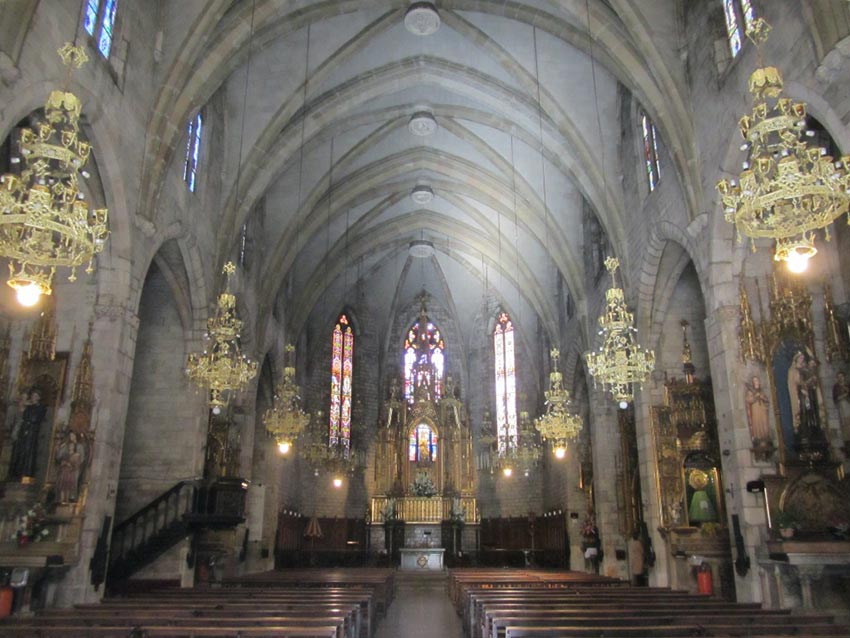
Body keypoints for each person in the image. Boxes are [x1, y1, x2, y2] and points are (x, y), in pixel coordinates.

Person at [9, 388, 48, 481]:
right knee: (20, 453)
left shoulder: (41, 408)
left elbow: (35, 418)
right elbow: (23, 416)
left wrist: (29, 422)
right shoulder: (29, 407)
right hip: (24, 432)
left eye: (36, 396)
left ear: (39, 398)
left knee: (29, 453)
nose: (33, 398)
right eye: (32, 396)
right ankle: (17, 474)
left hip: (32, 433)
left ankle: (27, 474)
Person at [745, 375, 771, 443]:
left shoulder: (762, 391)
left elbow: (767, 401)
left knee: (764, 424)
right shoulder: (750, 392)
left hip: (763, 411)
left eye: (757, 380)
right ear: (753, 383)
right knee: (757, 424)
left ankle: (766, 437)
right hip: (755, 411)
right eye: (754, 381)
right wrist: (755, 397)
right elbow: (748, 400)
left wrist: (763, 398)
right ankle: (758, 438)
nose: (756, 382)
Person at [833, 371, 850, 442]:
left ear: (844, 377)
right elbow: (836, 398)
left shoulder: (847, 385)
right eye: (838, 377)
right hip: (842, 406)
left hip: (848, 404)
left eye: (841, 376)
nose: (840, 378)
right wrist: (844, 395)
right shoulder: (836, 387)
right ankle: (847, 440)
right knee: (844, 422)